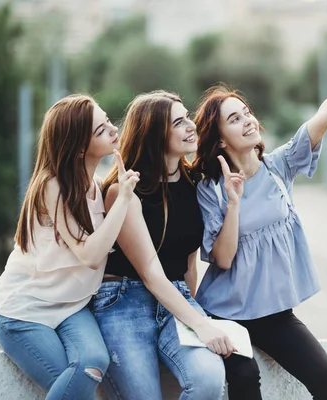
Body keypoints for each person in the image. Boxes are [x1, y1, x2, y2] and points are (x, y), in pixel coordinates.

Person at [192, 42, 327, 399]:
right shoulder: (211, 189)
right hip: (224, 316)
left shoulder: (280, 166)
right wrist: (233, 203)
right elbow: (222, 259)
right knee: (246, 380)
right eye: (234, 119)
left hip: (275, 314)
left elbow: (324, 115)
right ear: (219, 140)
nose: (248, 120)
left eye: (246, 112)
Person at [0, 94, 140, 400]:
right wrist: (123, 199)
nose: (113, 131)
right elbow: (90, 254)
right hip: (24, 313)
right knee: (77, 385)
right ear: (79, 147)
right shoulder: (52, 186)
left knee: (94, 361)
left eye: (107, 122)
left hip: (72, 307)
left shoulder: (97, 187)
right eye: (101, 131)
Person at [93, 90, 233, 400]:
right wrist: (201, 324)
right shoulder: (124, 191)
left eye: (188, 118)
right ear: (156, 133)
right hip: (123, 304)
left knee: (209, 380)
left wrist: (197, 311)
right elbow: (151, 273)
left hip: (176, 301)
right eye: (179, 122)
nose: (191, 126)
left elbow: (189, 265)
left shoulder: (195, 184)